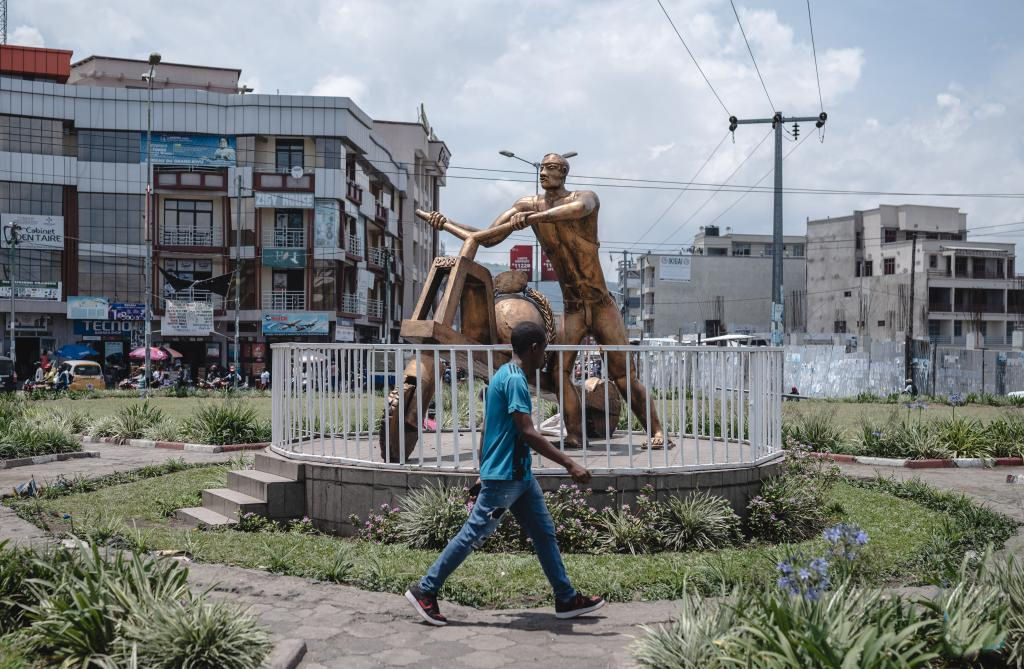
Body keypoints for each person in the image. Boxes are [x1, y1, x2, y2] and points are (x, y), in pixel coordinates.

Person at [423, 153, 670, 449]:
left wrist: (531, 219)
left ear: (564, 173)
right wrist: (447, 223)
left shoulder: (584, 198)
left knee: (622, 375)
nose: (543, 172)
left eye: (551, 168)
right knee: (558, 372)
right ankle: (576, 434)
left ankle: (656, 431)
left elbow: (579, 208)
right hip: (573, 308)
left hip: (600, 304)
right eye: (542, 167)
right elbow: (486, 238)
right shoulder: (528, 205)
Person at [405, 321, 606, 626]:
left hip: (519, 477)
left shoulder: (503, 374)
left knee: (543, 533)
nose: (546, 358)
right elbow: (528, 432)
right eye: (545, 351)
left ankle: (565, 598)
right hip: (506, 478)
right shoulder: (514, 381)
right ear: (535, 349)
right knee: (473, 533)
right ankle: (425, 589)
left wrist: (481, 470)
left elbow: (488, 427)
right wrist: (570, 464)